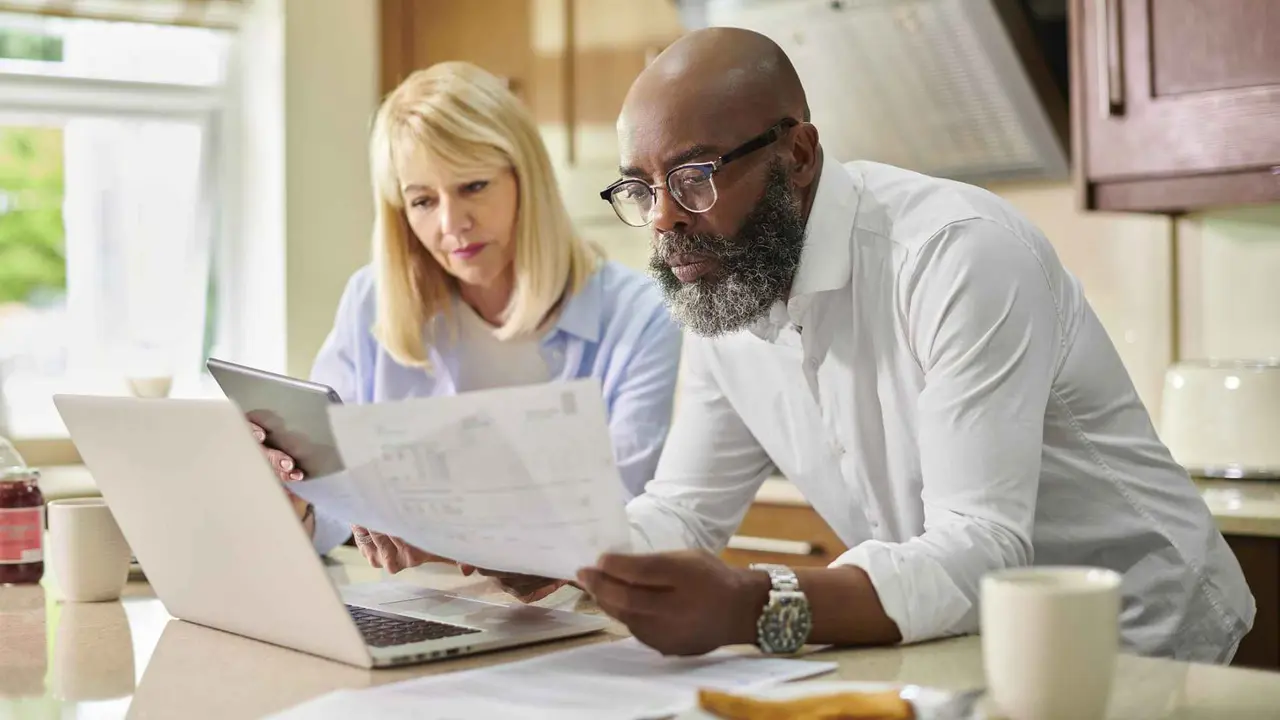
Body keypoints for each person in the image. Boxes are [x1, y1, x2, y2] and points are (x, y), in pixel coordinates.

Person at [564, 27, 1255, 663]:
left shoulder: (956, 253)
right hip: (964, 638)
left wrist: (753, 603)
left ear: (798, 155)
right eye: (641, 186)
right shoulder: (728, 286)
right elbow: (684, 510)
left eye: (694, 177)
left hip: (1144, 635)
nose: (661, 218)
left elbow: (981, 545)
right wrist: (561, 555)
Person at [252, 61, 682, 590]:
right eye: (423, 201)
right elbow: (337, 502)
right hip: (417, 612)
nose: (452, 224)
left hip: (581, 623)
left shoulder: (639, 315)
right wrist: (296, 498)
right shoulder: (372, 301)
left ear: (526, 178)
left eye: (474, 186)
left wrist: (449, 531)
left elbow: (627, 519)